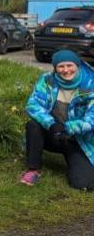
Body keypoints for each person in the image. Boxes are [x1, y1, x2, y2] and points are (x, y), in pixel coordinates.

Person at [22, 50, 94, 190]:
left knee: (83, 184)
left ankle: (75, 163)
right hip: (54, 132)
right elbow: (33, 105)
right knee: (33, 125)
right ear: (55, 68)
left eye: (70, 65)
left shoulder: (91, 84)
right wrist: (51, 124)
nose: (66, 70)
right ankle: (33, 169)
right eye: (61, 66)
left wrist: (67, 127)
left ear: (77, 65)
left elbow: (91, 120)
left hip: (78, 139)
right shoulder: (47, 80)